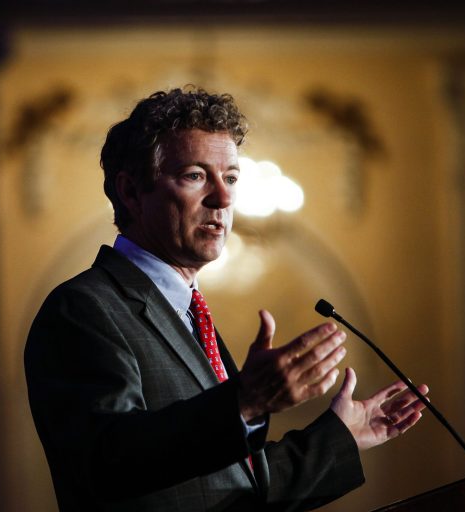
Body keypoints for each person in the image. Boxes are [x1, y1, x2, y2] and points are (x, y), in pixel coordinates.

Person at [25, 87, 428, 511]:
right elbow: (107, 463)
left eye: (231, 177)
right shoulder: (83, 309)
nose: (223, 197)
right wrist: (244, 401)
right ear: (130, 191)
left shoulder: (187, 314)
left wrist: (340, 438)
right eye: (195, 176)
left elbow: (235, 490)